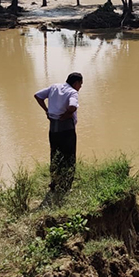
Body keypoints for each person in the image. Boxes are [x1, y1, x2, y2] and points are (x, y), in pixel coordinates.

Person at [34, 72, 83, 204]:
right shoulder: (73, 92)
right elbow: (72, 107)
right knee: (69, 156)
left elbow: (38, 96)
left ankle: (54, 183)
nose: (80, 87)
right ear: (76, 83)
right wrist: (67, 115)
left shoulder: (54, 87)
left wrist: (46, 110)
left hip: (53, 127)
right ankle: (67, 185)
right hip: (67, 128)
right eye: (80, 84)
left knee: (55, 154)